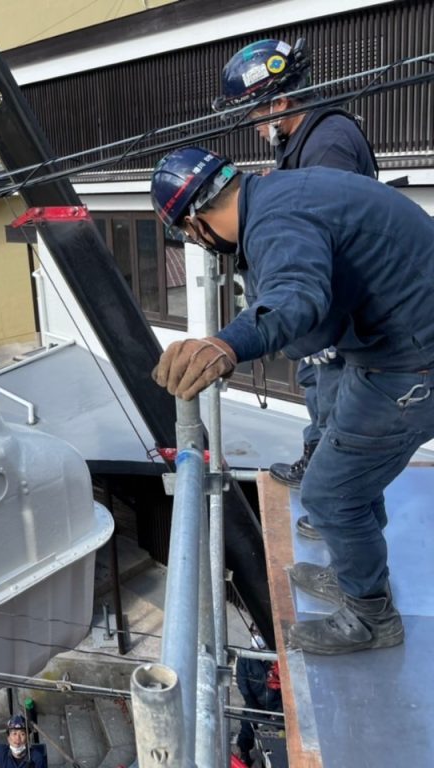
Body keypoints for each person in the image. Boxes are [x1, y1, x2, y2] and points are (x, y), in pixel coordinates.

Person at [149, 145, 434, 654]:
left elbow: (296, 295)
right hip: (389, 347)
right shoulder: (280, 194)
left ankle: (372, 617)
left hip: (414, 362)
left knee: (330, 493)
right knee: (349, 474)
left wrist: (225, 344)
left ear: (194, 225)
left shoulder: (275, 225)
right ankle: (357, 573)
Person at [213, 38, 378, 539]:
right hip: (324, 307)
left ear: (280, 102)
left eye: (253, 112)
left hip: (337, 306)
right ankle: (316, 466)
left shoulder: (328, 142)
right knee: (317, 391)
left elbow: (329, 232)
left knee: (335, 404)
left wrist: (310, 313)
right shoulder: (300, 141)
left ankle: (332, 509)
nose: (253, 124)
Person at [235, 627, 283, 765]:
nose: (257, 636)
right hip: (255, 704)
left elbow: (284, 685)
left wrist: (279, 710)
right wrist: (255, 711)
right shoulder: (245, 658)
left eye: (259, 633)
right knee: (247, 729)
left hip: (275, 706)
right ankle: (244, 755)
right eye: (254, 632)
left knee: (280, 734)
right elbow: (243, 686)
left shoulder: (274, 658)